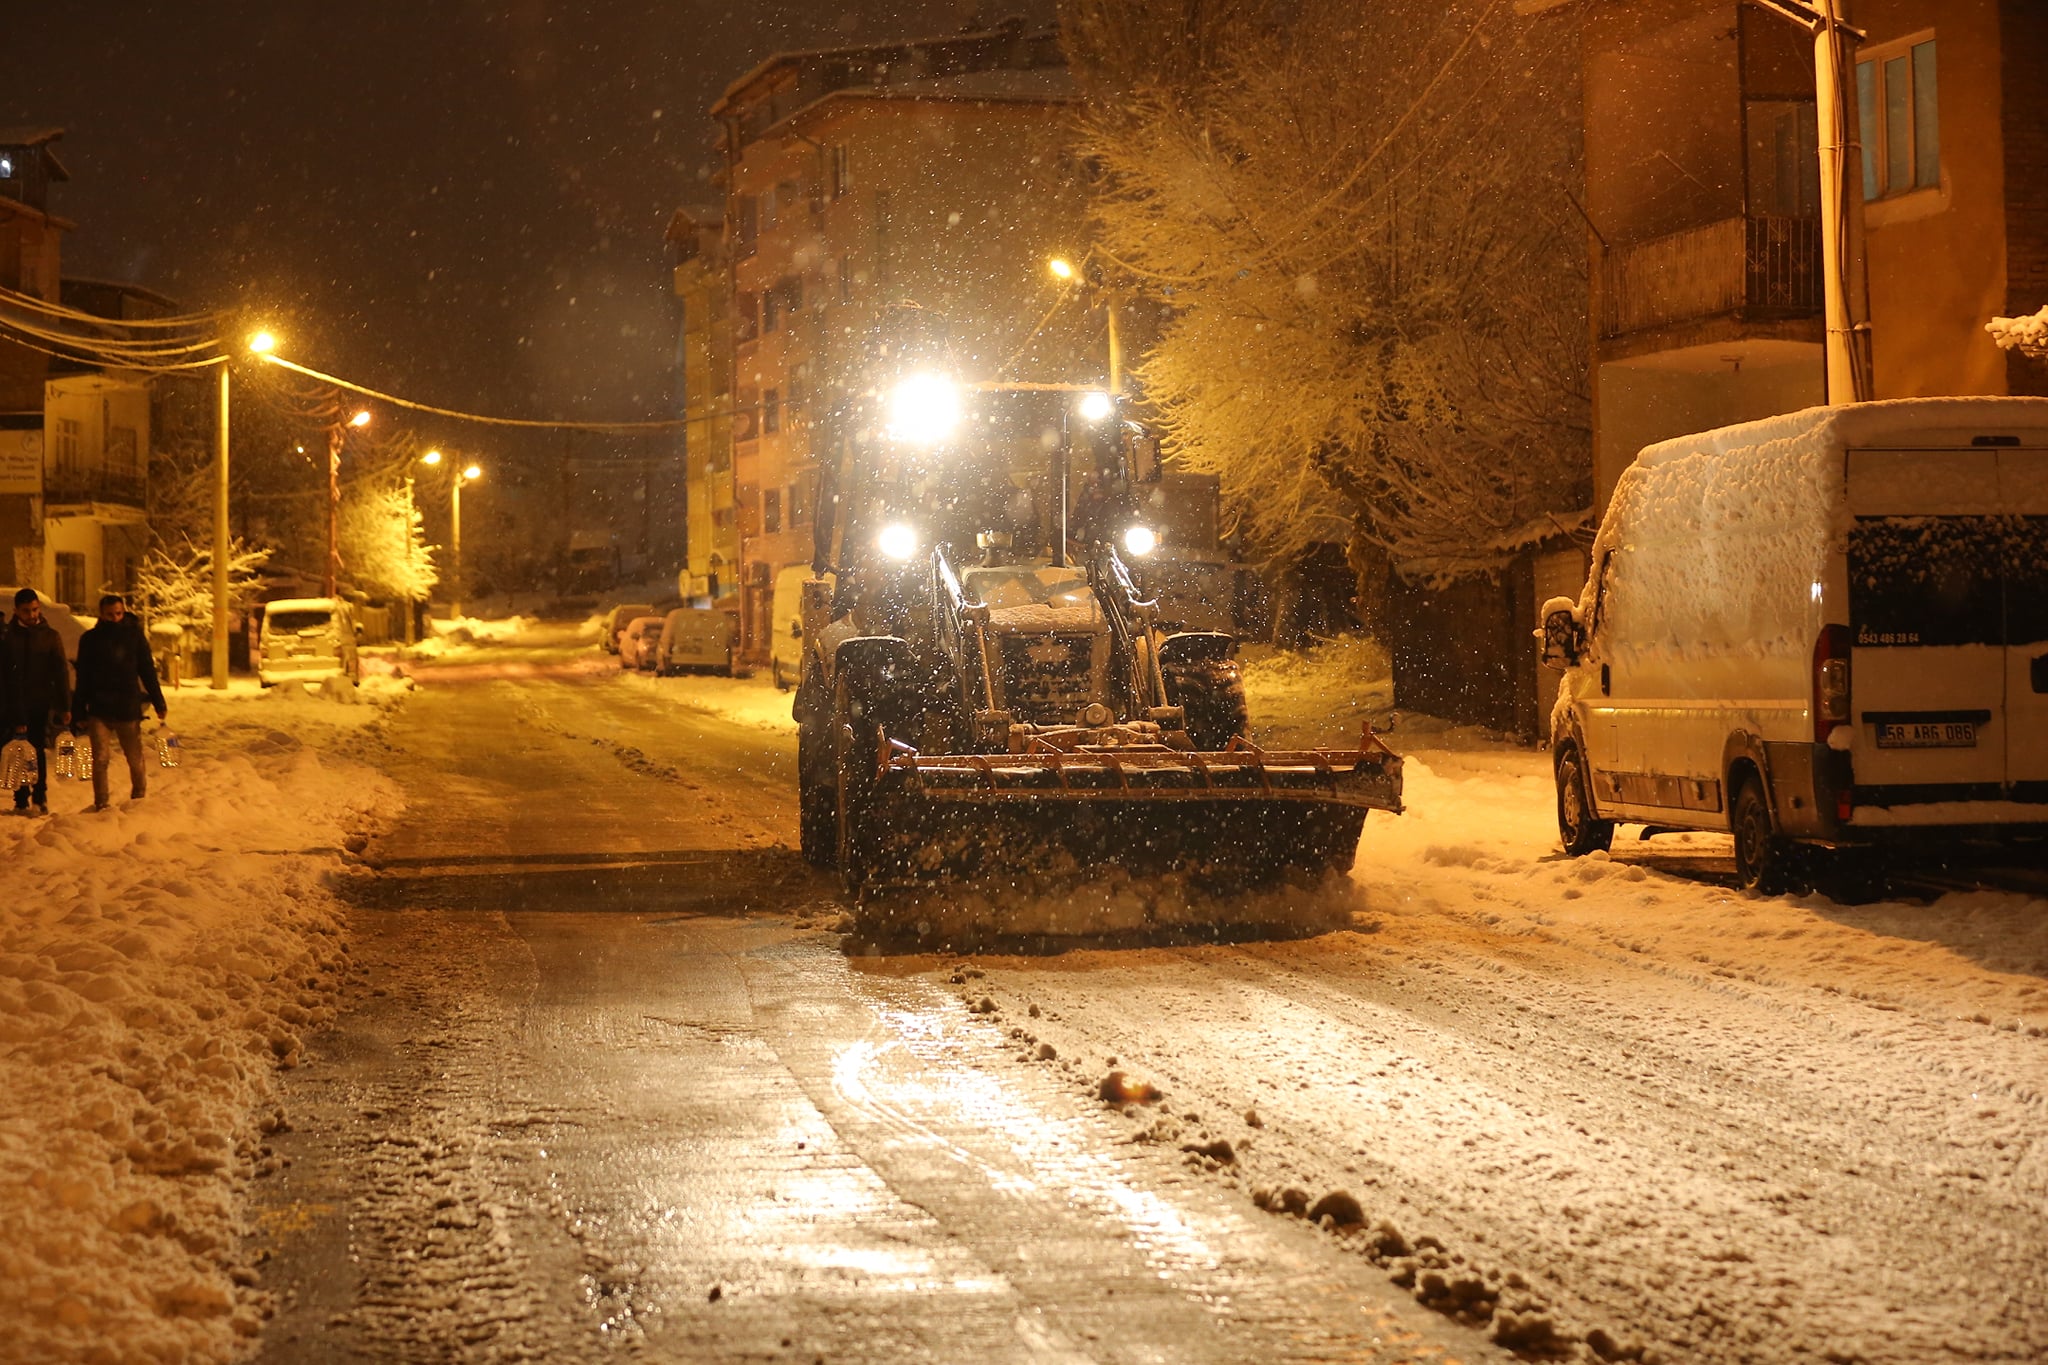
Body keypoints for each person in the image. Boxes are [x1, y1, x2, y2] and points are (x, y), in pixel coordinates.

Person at [73, 594, 166, 813]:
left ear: (123, 612)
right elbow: (83, 676)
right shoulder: (90, 639)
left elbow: (147, 670)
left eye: (119, 613)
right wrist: (79, 711)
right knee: (100, 759)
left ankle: (139, 797)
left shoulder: (134, 636)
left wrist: (158, 700)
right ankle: (102, 802)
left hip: (127, 706)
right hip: (99, 706)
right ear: (101, 614)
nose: (115, 618)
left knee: (134, 758)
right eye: (110, 614)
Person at [2, 588, 72, 816]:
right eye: (26, 611)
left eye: (34, 610)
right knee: (15, 749)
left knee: (36, 748)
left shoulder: (49, 636)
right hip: (11, 702)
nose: (31, 615)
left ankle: (40, 794)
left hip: (38, 700)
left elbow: (60, 672)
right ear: (16, 611)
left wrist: (64, 705)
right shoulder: (8, 637)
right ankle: (20, 796)